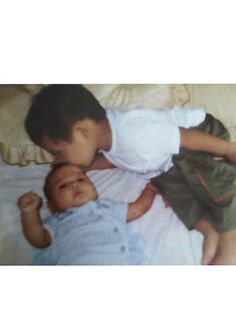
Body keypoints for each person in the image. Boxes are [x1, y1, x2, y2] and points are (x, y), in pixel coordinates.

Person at [25, 84, 236, 265]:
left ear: (82, 132)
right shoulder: (106, 140)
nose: (58, 159)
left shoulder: (134, 133)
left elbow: (185, 137)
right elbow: (113, 159)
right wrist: (81, 168)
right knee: (171, 190)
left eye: (58, 152)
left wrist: (227, 149)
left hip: (199, 137)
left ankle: (230, 235)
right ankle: (209, 230)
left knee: (212, 179)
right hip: (166, 160)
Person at [17, 163, 157, 265]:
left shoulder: (108, 208)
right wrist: (29, 213)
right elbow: (38, 239)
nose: (75, 185)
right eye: (63, 185)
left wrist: (151, 189)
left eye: (81, 179)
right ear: (52, 206)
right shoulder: (57, 222)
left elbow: (139, 208)